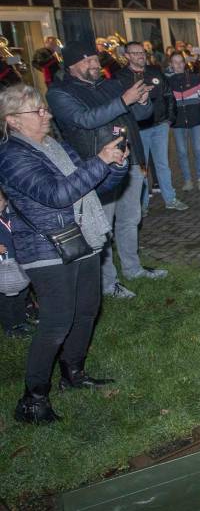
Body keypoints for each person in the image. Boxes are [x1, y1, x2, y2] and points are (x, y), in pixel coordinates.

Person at [0, 84, 131, 424]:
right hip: (45, 247)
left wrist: (114, 164)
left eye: (44, 108)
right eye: (37, 111)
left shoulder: (54, 144)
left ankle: (73, 373)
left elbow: (93, 184)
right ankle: (33, 399)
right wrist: (99, 161)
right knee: (57, 323)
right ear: (13, 120)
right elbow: (57, 194)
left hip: (80, 236)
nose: (47, 114)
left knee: (87, 309)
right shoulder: (12, 156)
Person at [46, 41, 164, 300]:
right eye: (88, 61)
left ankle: (133, 269)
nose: (95, 64)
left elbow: (143, 115)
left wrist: (142, 101)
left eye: (97, 60)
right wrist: (124, 100)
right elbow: (84, 120)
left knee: (130, 219)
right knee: (103, 226)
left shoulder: (110, 85)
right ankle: (109, 283)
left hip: (130, 159)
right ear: (72, 65)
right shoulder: (60, 93)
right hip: (98, 166)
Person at [116, 41, 185, 211]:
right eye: (135, 53)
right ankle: (143, 204)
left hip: (160, 125)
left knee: (163, 163)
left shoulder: (155, 71)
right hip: (138, 129)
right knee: (142, 166)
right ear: (127, 56)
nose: (140, 55)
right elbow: (119, 105)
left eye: (142, 52)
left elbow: (169, 95)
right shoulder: (121, 77)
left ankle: (170, 198)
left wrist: (169, 119)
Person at [164, 52, 200, 193]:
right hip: (177, 124)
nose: (178, 65)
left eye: (180, 62)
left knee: (198, 150)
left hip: (195, 121)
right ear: (170, 64)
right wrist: (171, 117)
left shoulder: (196, 78)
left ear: (185, 63)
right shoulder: (167, 82)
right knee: (182, 152)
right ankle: (187, 180)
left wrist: (197, 113)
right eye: (175, 62)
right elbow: (165, 102)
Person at [0, 187, 35, 338]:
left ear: (6, 202)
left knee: (22, 293)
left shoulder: (11, 218)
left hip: (19, 263)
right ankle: (9, 326)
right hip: (3, 269)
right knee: (6, 299)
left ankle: (20, 320)